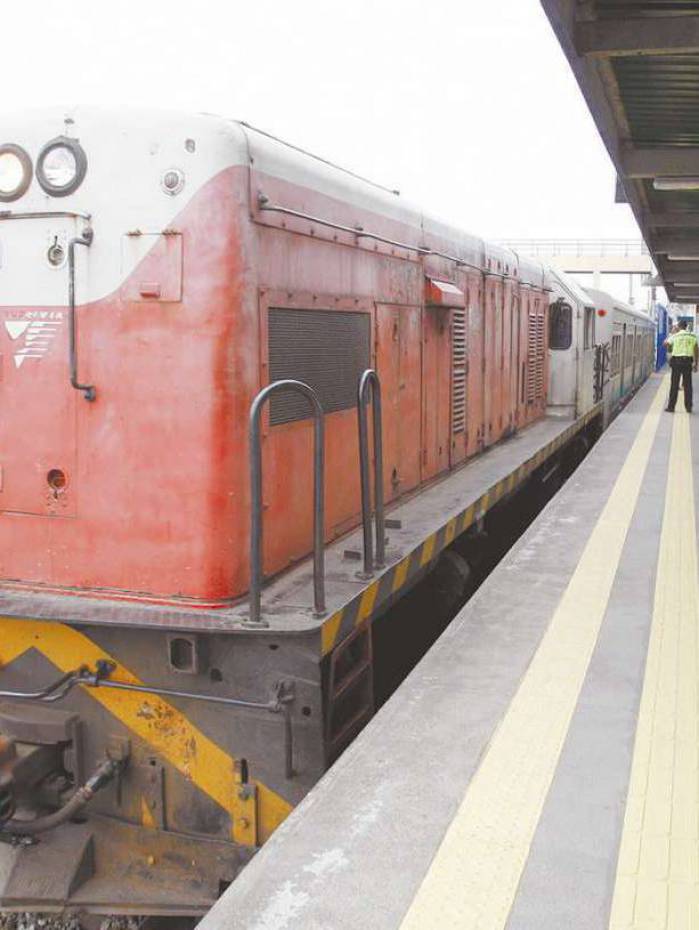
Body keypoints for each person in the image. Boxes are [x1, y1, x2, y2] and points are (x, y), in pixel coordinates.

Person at [664, 321, 698, 412]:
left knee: (674, 385)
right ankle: (689, 407)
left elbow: (665, 344)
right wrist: (695, 363)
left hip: (676, 363)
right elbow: (696, 349)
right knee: (688, 385)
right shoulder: (692, 336)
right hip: (687, 362)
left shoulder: (675, 336)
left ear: (678, 327)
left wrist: (671, 334)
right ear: (686, 327)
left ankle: (671, 407)